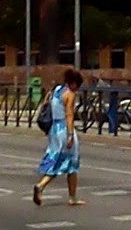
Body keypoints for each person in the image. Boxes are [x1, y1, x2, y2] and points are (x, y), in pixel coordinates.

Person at [33, 68, 84, 207]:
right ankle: (43, 186)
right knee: (71, 162)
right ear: (73, 83)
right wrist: (70, 136)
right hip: (64, 129)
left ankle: (45, 187)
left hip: (53, 130)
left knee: (57, 158)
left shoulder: (56, 90)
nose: (77, 89)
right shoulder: (70, 94)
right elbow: (69, 115)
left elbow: (45, 103)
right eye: (77, 86)